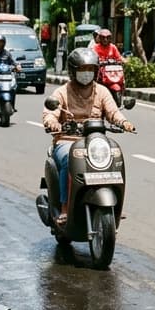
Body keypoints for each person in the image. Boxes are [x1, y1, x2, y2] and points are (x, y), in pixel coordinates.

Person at [42, 47, 134, 228]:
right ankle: (65, 207)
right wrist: (52, 123)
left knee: (115, 156)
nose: (87, 74)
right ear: (73, 71)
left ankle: (116, 204)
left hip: (95, 142)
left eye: (90, 69)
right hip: (67, 141)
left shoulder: (102, 91)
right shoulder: (62, 92)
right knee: (68, 159)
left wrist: (124, 122)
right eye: (83, 69)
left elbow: (113, 111)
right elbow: (50, 113)